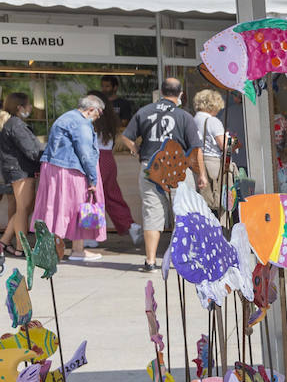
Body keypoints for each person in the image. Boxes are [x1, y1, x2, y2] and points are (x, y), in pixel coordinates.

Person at [120, 77, 204, 272]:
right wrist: (202, 175)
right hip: (178, 171)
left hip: (151, 168)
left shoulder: (144, 112)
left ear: (161, 92)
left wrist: (136, 149)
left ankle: (150, 261)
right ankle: (183, 259)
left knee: (152, 212)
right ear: (180, 94)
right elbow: (196, 148)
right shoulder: (184, 116)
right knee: (183, 214)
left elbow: (125, 136)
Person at [32, 95, 106, 262]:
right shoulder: (81, 123)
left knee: (54, 207)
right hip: (70, 170)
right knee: (77, 208)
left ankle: (50, 250)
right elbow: (86, 154)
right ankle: (78, 250)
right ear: (91, 109)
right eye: (99, 114)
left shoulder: (65, 117)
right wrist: (93, 180)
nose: (97, 118)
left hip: (53, 169)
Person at [89, 89, 139, 247]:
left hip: (94, 158)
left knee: (91, 197)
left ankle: (91, 235)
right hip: (108, 159)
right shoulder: (110, 119)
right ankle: (130, 225)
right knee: (112, 195)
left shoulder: (90, 120)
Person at [0, 93, 43, 257]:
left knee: (23, 209)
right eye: (29, 105)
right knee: (24, 209)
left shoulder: (12, 123)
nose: (31, 108)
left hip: (17, 170)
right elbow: (31, 151)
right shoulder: (16, 125)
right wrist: (46, 155)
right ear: (20, 107)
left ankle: (4, 241)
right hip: (21, 171)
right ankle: (21, 247)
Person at [193, 89, 230, 214]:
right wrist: (233, 142)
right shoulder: (213, 121)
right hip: (212, 163)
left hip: (197, 163)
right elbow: (224, 145)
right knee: (218, 200)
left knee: (204, 200)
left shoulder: (194, 120)